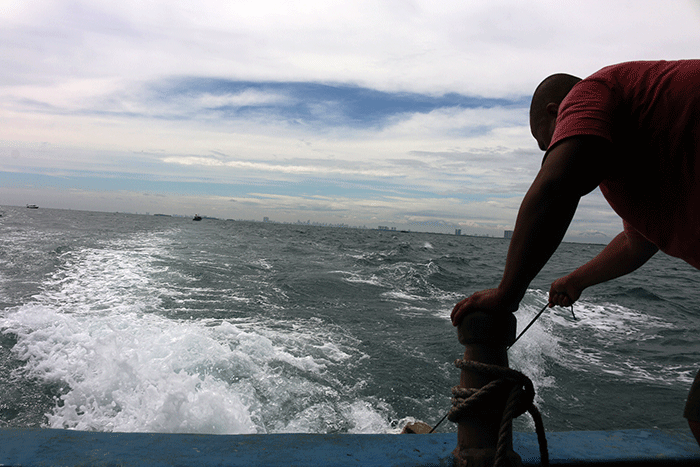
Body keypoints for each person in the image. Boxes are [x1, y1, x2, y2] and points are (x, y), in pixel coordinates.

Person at [450, 60, 700, 442]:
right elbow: (638, 241)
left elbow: (556, 186)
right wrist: (577, 279)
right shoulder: (637, 157)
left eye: (548, 142)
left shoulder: (593, 92)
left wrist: (507, 294)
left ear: (557, 112)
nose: (554, 150)